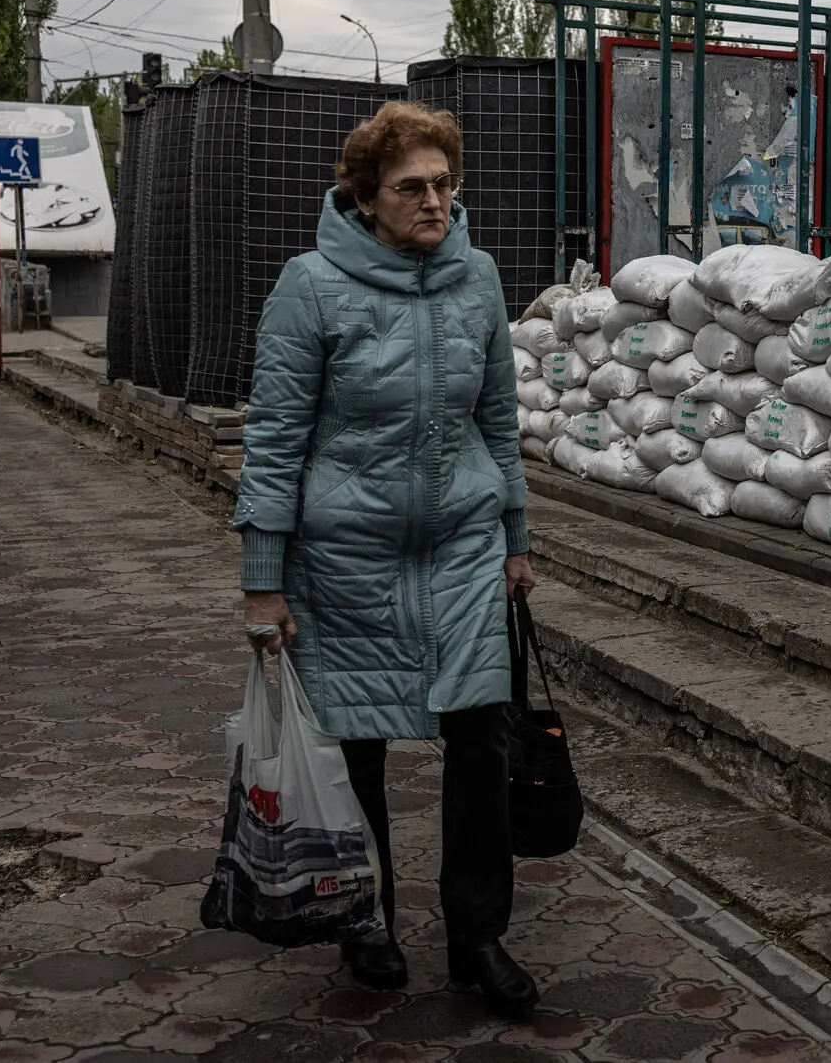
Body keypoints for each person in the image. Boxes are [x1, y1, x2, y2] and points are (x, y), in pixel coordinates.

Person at [233, 100, 539, 1016]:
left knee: (481, 743)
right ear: (366, 196)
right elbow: (276, 439)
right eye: (413, 187)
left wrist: (516, 542)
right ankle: (364, 916)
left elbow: (498, 419)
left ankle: (479, 936)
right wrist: (263, 582)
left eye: (446, 183)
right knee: (354, 748)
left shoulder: (477, 278)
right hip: (345, 561)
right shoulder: (311, 286)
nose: (435, 200)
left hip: (462, 552)